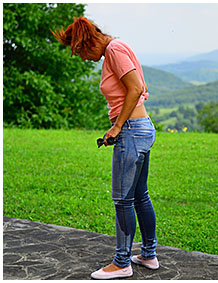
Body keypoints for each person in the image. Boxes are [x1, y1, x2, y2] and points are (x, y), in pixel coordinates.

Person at [51, 16, 159, 280]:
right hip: (140, 128)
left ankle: (122, 262)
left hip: (132, 130)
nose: (82, 58)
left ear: (86, 42)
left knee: (123, 200)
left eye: (79, 51)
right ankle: (148, 254)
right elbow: (136, 89)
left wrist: (116, 127)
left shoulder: (113, 50)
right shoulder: (116, 49)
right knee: (139, 195)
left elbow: (135, 89)